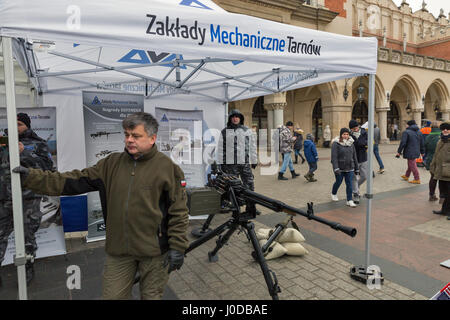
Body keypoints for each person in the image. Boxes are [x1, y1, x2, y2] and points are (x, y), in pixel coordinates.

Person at [13, 112, 189, 299]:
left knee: (151, 296)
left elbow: (178, 211)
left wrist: (178, 246)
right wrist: (32, 177)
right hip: (119, 251)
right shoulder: (110, 164)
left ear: (152, 138)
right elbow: (72, 180)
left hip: (154, 252)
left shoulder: (168, 169)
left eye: (136, 136)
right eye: (126, 134)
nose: (129, 140)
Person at [0, 113, 53, 285]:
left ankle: (27, 268)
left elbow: (47, 168)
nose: (16, 127)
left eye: (20, 124)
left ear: (28, 126)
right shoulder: (3, 143)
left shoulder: (39, 144)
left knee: (27, 236)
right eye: (13, 123)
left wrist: (23, 154)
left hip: (28, 199)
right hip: (5, 198)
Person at [218, 109, 258, 212]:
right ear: (230, 118)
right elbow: (221, 148)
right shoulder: (225, 131)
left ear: (240, 118)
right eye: (233, 117)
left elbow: (252, 146)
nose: (235, 119)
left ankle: (251, 206)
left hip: (244, 162)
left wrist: (254, 159)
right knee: (232, 185)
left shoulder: (246, 130)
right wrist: (221, 162)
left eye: (237, 117)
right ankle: (235, 206)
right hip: (230, 164)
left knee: (249, 184)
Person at [330, 128, 359, 207]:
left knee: (349, 184)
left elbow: (354, 156)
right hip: (340, 168)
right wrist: (336, 168)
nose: (345, 136)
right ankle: (334, 193)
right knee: (338, 182)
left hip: (350, 167)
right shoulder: (336, 144)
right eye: (344, 134)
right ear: (341, 135)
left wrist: (356, 168)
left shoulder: (351, 143)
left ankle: (349, 200)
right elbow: (334, 157)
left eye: (347, 134)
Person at [429, 121, 450, 220]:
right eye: (443, 128)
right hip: (441, 171)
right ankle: (444, 210)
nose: (445, 130)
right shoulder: (440, 140)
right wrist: (432, 166)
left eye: (447, 128)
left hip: (448, 170)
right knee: (445, 193)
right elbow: (436, 155)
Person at [397, 120, 425, 184]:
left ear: (408, 125)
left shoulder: (406, 132)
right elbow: (422, 143)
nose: (405, 125)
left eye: (406, 124)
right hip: (416, 151)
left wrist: (399, 152)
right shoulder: (419, 132)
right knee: (411, 163)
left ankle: (417, 178)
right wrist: (422, 152)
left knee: (412, 164)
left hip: (409, 151)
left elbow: (403, 143)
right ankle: (407, 175)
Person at [348, 119, 368, 204]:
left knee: (364, 176)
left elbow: (369, 141)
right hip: (354, 159)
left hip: (363, 158)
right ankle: (355, 193)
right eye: (353, 128)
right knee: (354, 178)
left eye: (356, 127)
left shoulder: (364, 132)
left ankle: (357, 186)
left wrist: (364, 143)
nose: (355, 129)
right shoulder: (349, 135)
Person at [424, 122, 441, 202]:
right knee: (442, 179)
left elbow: (425, 149)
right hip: (441, 160)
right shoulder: (442, 136)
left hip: (431, 160)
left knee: (433, 178)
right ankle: (443, 197)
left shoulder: (428, 137)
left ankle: (432, 195)